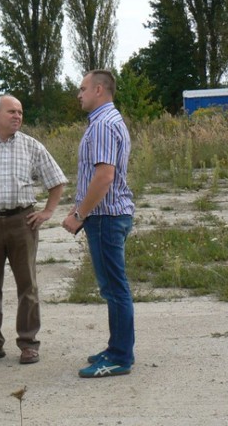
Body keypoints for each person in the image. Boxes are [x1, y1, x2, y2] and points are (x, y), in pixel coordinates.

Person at [0, 94, 67, 366]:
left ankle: (28, 343)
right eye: (11, 111)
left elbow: (57, 181)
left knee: (27, 286)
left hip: (22, 222)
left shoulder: (31, 146)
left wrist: (47, 211)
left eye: (20, 112)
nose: (17, 116)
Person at [61, 69, 135, 378]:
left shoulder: (103, 124)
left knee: (114, 289)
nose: (78, 94)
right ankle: (117, 347)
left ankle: (119, 356)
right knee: (113, 287)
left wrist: (80, 215)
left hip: (105, 217)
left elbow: (104, 177)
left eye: (83, 88)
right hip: (108, 214)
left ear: (100, 91)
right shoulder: (106, 121)